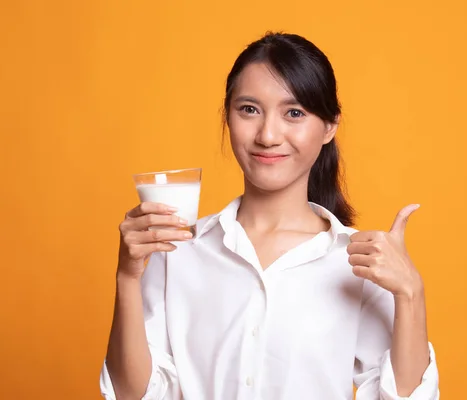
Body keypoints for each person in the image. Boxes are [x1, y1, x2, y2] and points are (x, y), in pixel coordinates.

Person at [100, 32, 440, 400]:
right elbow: (132, 395)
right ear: (227, 116)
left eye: (294, 113)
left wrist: (411, 293)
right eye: (249, 109)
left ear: (329, 127)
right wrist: (127, 277)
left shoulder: (358, 261)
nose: (268, 135)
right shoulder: (178, 248)